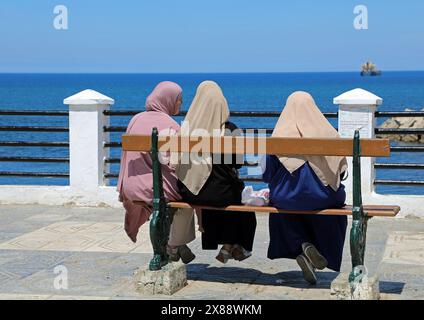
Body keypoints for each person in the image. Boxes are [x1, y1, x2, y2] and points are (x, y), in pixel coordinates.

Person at [262, 91, 348, 285]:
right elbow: (341, 171)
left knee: (282, 205)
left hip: (286, 196)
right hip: (323, 195)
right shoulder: (328, 133)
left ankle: (302, 245)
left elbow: (267, 175)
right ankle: (316, 252)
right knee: (332, 209)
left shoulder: (278, 136)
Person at [175, 81, 257, 263]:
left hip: (190, 192)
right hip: (221, 195)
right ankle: (233, 246)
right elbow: (237, 163)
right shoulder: (230, 130)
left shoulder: (187, 129)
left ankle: (228, 246)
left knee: (213, 190)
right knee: (238, 201)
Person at [117, 81, 196, 264]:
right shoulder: (172, 126)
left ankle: (176, 244)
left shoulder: (135, 119)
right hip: (156, 189)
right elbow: (178, 163)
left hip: (130, 186)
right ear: (168, 100)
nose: (180, 104)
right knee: (189, 194)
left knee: (176, 195)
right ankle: (175, 244)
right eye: (178, 100)